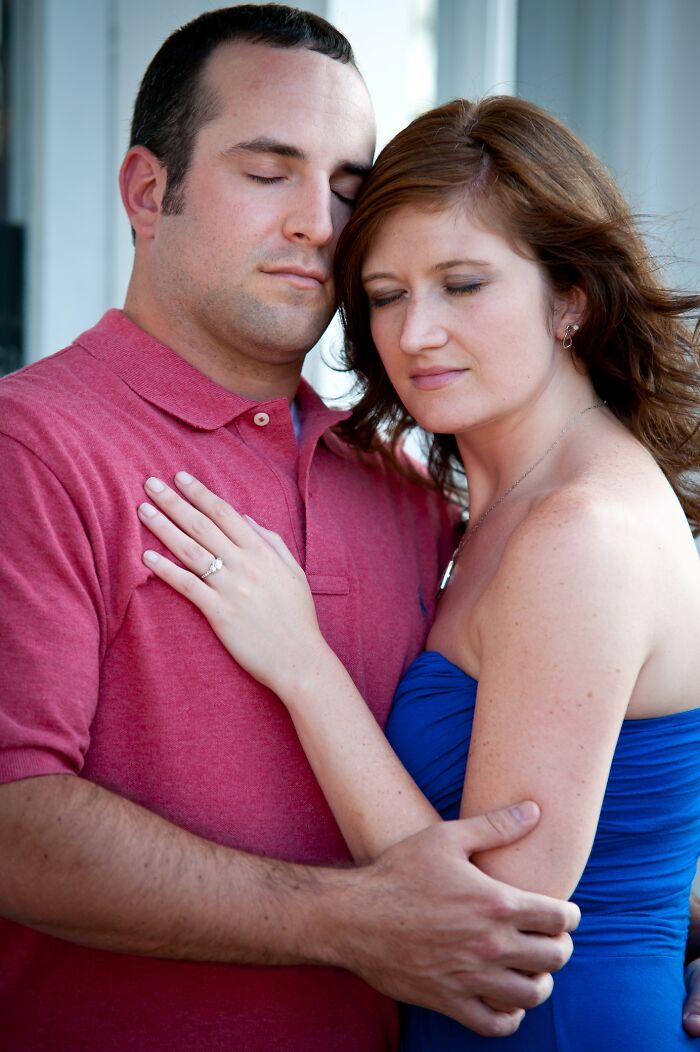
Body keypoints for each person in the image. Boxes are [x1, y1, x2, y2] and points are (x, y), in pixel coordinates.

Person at [0, 9, 580, 1052]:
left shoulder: (402, 481)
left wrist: (672, 923)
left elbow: (535, 786)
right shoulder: (30, 444)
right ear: (147, 190)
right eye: (268, 172)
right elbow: (12, 819)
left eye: (349, 186)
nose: (320, 221)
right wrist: (347, 920)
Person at [136, 95, 700, 1049]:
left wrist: (300, 663)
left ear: (571, 297)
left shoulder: (580, 530)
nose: (417, 335)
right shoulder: (488, 506)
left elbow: (490, 918)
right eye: (388, 295)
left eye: (463, 284)